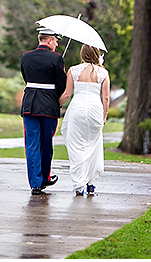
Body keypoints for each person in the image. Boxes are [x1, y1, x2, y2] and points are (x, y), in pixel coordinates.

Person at [20, 28, 67, 195]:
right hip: (48, 106)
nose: (56, 43)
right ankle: (44, 178)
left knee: (32, 144)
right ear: (48, 41)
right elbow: (61, 85)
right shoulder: (57, 59)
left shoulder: (25, 56)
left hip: (30, 105)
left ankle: (35, 183)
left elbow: (26, 78)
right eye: (55, 40)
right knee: (46, 143)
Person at [59, 43, 110, 196]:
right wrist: (104, 114)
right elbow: (105, 97)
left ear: (82, 54)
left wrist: (55, 104)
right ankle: (91, 183)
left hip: (77, 110)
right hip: (95, 110)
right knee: (93, 146)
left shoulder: (73, 71)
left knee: (76, 147)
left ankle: (78, 184)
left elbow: (67, 95)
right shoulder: (103, 73)